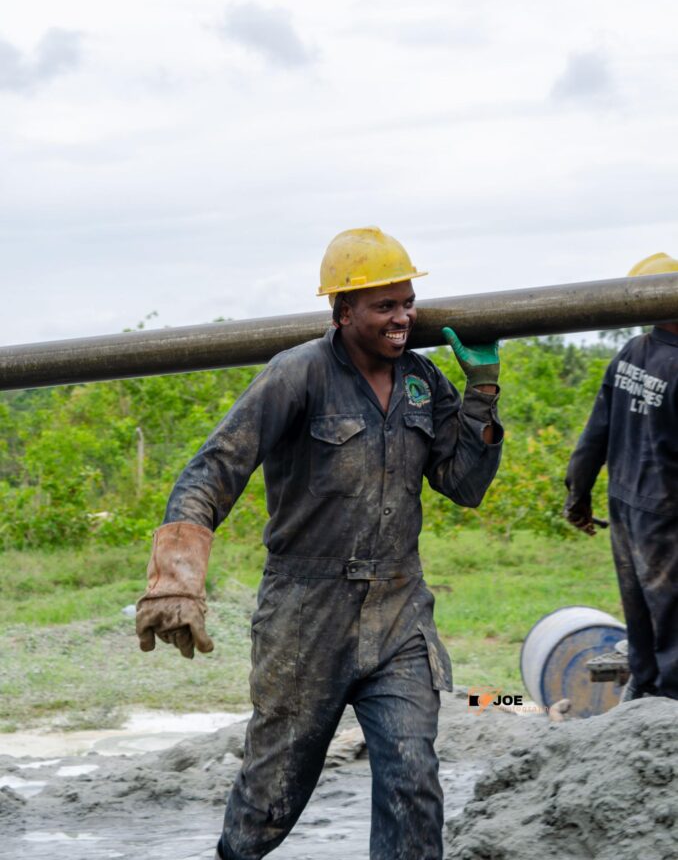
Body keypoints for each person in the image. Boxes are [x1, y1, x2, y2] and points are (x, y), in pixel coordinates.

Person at [135, 226, 503, 860]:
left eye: (407, 302)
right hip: (306, 614)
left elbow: (464, 484)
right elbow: (213, 468)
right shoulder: (297, 375)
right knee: (270, 800)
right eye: (384, 306)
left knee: (414, 779)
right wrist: (176, 578)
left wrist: (482, 392)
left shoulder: (422, 382)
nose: (402, 318)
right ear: (343, 311)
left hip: (398, 610)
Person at [564, 252, 678, 702]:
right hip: (665, 512)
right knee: (670, 612)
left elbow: (596, 433)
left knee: (639, 608)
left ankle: (645, 690)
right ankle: (668, 707)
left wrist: (579, 496)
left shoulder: (631, 352)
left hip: (624, 504)